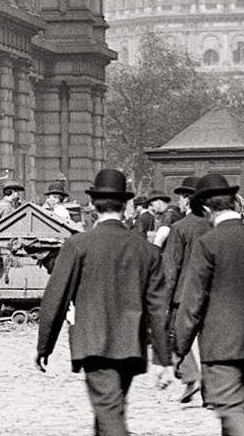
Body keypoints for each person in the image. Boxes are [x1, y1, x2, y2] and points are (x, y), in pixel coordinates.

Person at [36, 169, 170, 436]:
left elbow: (55, 299)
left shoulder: (77, 246)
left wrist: (44, 346)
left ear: (92, 205)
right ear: (126, 205)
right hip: (132, 345)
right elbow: (158, 308)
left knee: (109, 414)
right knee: (110, 410)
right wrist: (163, 359)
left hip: (93, 343)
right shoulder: (148, 251)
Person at [173, 173, 244, 436]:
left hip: (220, 345)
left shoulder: (207, 244)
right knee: (237, 410)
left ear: (206, 209)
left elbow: (193, 302)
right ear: (234, 203)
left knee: (233, 413)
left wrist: (180, 348)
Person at [162, 176, 211, 403]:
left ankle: (191, 376)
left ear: (187, 200)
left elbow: (171, 268)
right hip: (213, 295)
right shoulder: (215, 225)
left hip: (183, 296)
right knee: (210, 343)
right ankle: (210, 392)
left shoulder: (179, 228)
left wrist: (164, 300)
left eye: (182, 197)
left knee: (173, 336)